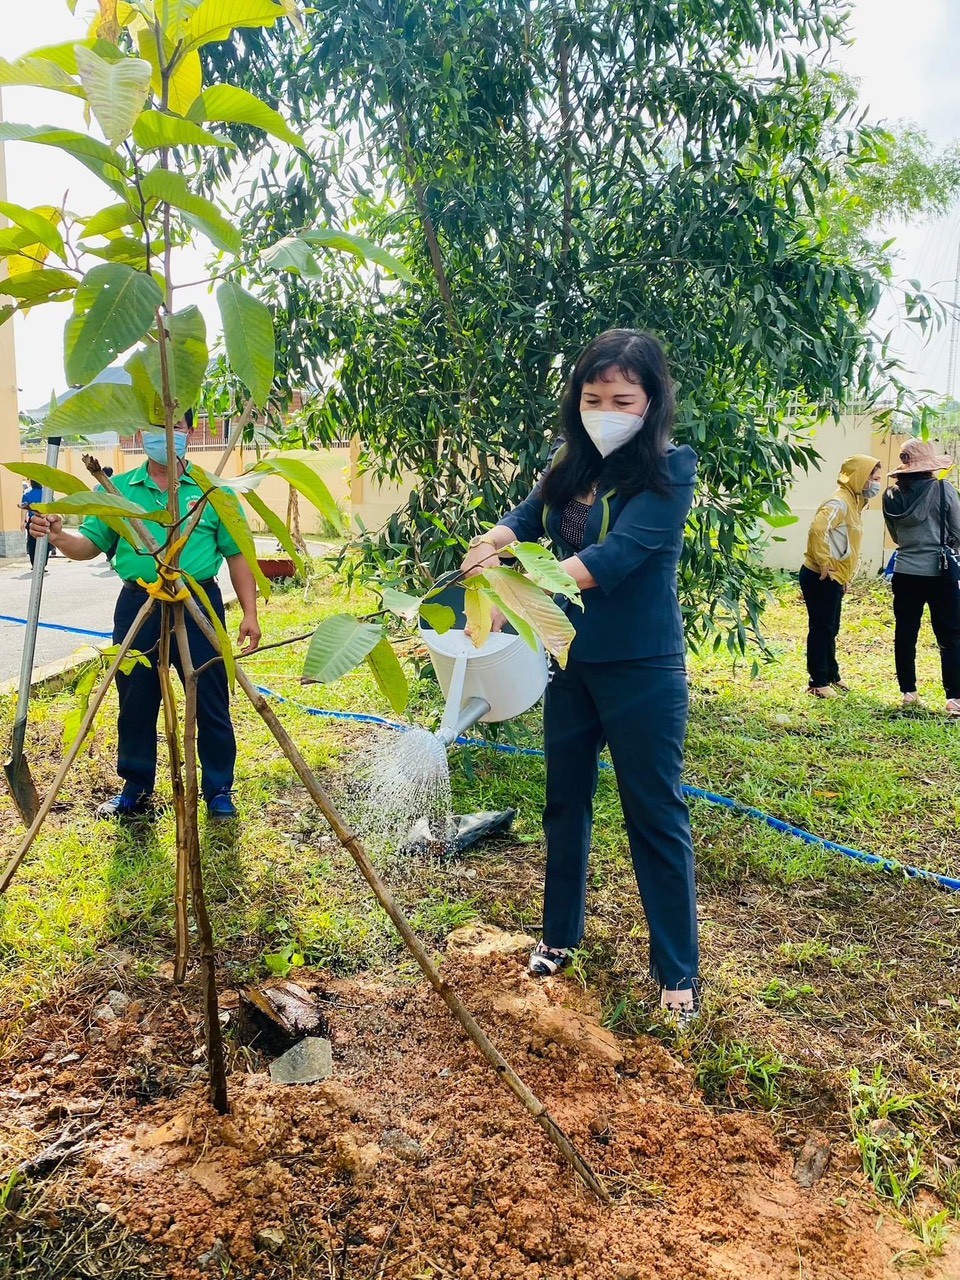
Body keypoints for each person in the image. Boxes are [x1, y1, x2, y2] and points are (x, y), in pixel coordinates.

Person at [460, 328, 699, 1023]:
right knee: (565, 802)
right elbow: (526, 518)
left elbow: (614, 558)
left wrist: (516, 592)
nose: (606, 409)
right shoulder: (572, 463)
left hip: (642, 671)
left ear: (650, 402)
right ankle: (559, 937)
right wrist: (490, 544)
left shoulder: (668, 470)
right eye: (594, 397)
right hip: (570, 663)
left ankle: (677, 973)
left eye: (622, 398)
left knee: (654, 814)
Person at [27, 411, 262, 819]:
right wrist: (60, 535)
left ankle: (219, 788)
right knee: (135, 698)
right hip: (140, 605)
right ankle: (135, 786)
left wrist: (249, 612)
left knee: (210, 698)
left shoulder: (213, 490)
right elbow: (91, 545)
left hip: (198, 603)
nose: (167, 436)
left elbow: (238, 553)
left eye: (177, 427)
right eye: (157, 429)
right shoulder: (117, 491)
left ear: (189, 433)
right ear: (141, 434)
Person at [882, 439, 960, 715]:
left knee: (905, 632)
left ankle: (909, 692)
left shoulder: (890, 496)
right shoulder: (943, 489)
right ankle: (954, 698)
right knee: (950, 634)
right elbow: (958, 530)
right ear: (929, 467)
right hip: (939, 572)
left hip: (905, 571)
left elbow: (894, 536)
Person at [799, 454, 881, 698]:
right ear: (860, 478)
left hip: (834, 577)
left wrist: (844, 577)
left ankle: (831, 674)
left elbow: (845, 543)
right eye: (873, 478)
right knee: (821, 628)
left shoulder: (854, 502)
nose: (877, 484)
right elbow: (818, 529)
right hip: (820, 576)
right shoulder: (840, 503)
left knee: (831, 627)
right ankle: (817, 682)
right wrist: (825, 563)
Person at [19, 477, 43, 568]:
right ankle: (43, 564)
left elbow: (24, 509)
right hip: (45, 520)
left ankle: (34, 564)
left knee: (32, 544)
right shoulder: (46, 493)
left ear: (31, 483)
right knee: (45, 543)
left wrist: (22, 522)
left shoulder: (27, 494)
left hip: (33, 521)